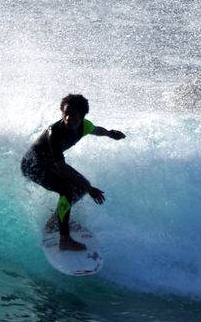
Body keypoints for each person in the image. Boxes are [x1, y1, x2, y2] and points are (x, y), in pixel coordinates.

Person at [21, 94, 126, 251]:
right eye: (66, 113)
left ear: (82, 116)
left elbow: (97, 130)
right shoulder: (55, 133)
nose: (68, 118)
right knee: (67, 189)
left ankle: (55, 222)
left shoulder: (84, 126)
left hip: (49, 163)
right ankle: (65, 240)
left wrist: (111, 134)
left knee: (79, 188)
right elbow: (62, 168)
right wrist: (90, 188)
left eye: (73, 114)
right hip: (32, 165)